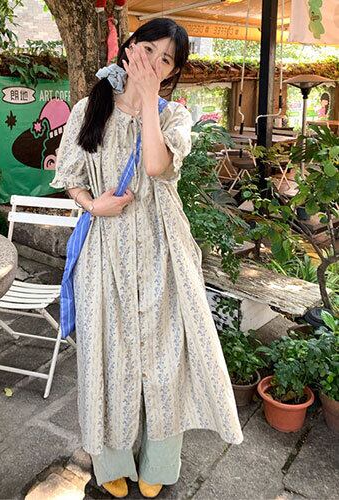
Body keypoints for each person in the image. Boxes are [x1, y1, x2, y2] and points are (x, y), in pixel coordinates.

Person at [49, 17, 244, 499]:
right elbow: (70, 176)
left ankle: (159, 461)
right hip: (104, 250)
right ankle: (110, 460)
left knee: (164, 359)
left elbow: (157, 166)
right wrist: (93, 205)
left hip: (163, 249)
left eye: (166, 59)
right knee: (107, 356)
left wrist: (149, 99)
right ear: (129, 48)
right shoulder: (89, 109)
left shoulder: (175, 116)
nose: (154, 61)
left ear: (173, 72)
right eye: (149, 49)